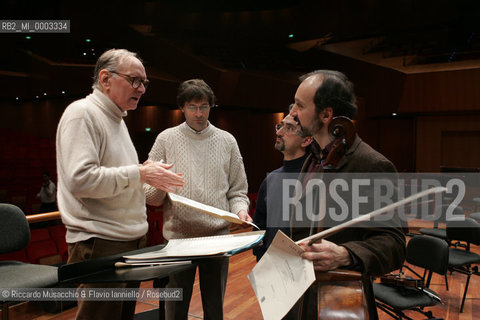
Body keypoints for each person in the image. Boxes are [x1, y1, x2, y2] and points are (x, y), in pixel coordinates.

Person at [56, 48, 185, 320]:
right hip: (101, 242)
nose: (141, 88)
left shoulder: (117, 119)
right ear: (105, 79)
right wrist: (141, 173)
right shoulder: (82, 114)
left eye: (144, 83)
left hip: (128, 241)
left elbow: (123, 179)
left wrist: (148, 177)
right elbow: (81, 180)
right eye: (134, 80)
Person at [288, 70, 406, 319]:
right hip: (302, 296)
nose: (292, 113)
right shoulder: (314, 158)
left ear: (326, 114)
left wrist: (345, 254)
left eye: (299, 105)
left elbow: (393, 244)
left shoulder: (372, 165)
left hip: (340, 298)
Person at [144, 79, 251, 320]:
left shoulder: (227, 141)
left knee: (214, 309)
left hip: (217, 239)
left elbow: (238, 191)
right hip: (179, 239)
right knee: (174, 309)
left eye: (204, 106)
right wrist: (160, 183)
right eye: (192, 107)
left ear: (211, 106)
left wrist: (241, 211)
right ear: (182, 107)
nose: (199, 113)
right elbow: (150, 198)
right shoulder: (165, 139)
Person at [252, 111, 312, 261]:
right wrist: (262, 259)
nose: (279, 132)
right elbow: (259, 228)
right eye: (280, 126)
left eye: (289, 128)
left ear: (306, 140)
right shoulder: (271, 179)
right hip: (271, 269)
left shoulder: (316, 178)